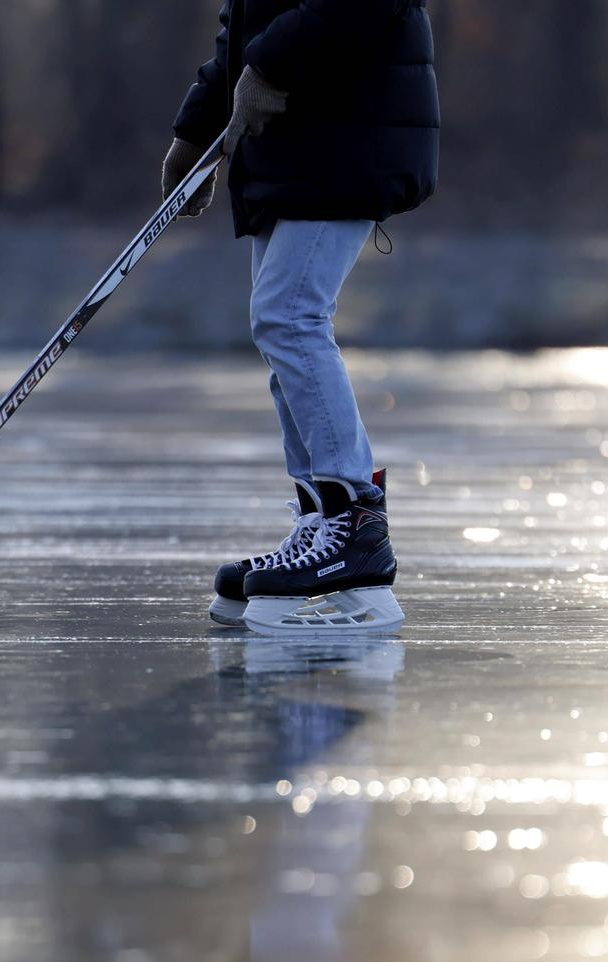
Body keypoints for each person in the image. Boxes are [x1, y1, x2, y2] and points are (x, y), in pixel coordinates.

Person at [161, 0, 439, 634]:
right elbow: (244, 29)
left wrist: (267, 64)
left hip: (350, 131)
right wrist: (194, 132)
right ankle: (320, 520)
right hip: (295, 145)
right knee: (282, 328)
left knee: (289, 317)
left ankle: (354, 523)